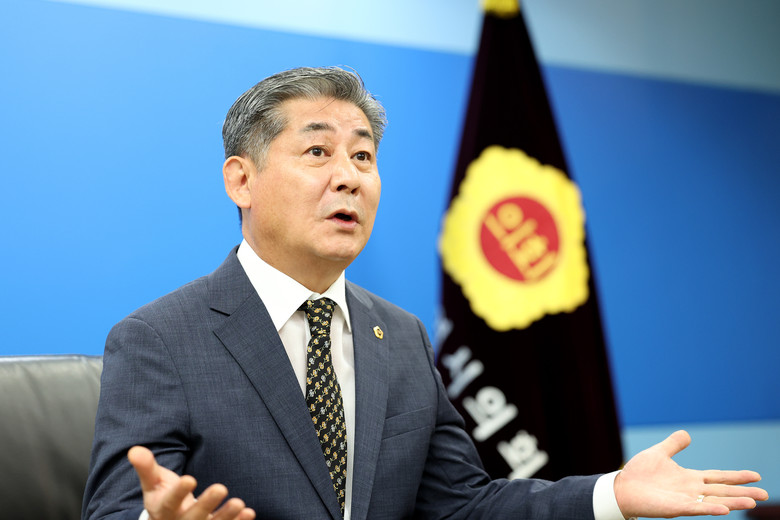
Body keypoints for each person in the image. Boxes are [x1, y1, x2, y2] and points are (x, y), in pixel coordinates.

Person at [82, 67, 768, 520]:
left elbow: (461, 505)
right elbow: (116, 509)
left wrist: (611, 494)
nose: (349, 177)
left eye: (363, 156)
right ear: (241, 181)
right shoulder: (160, 339)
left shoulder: (400, 336)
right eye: (318, 152)